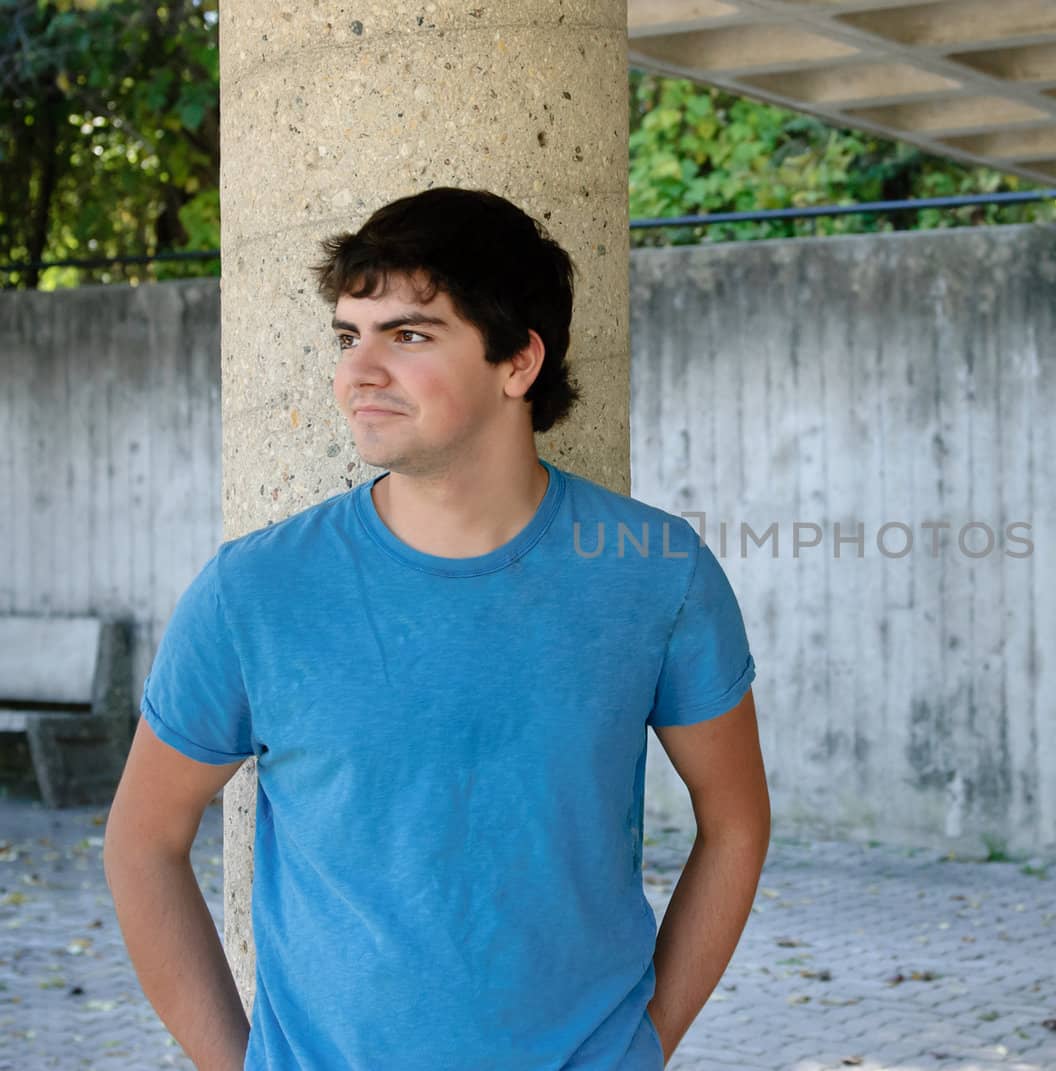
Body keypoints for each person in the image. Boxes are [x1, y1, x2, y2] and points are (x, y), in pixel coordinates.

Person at [103, 187, 771, 1069]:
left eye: (409, 334)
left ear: (518, 363)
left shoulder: (655, 569)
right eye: (350, 335)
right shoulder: (256, 591)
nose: (359, 371)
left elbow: (736, 820)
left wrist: (645, 1043)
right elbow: (141, 841)